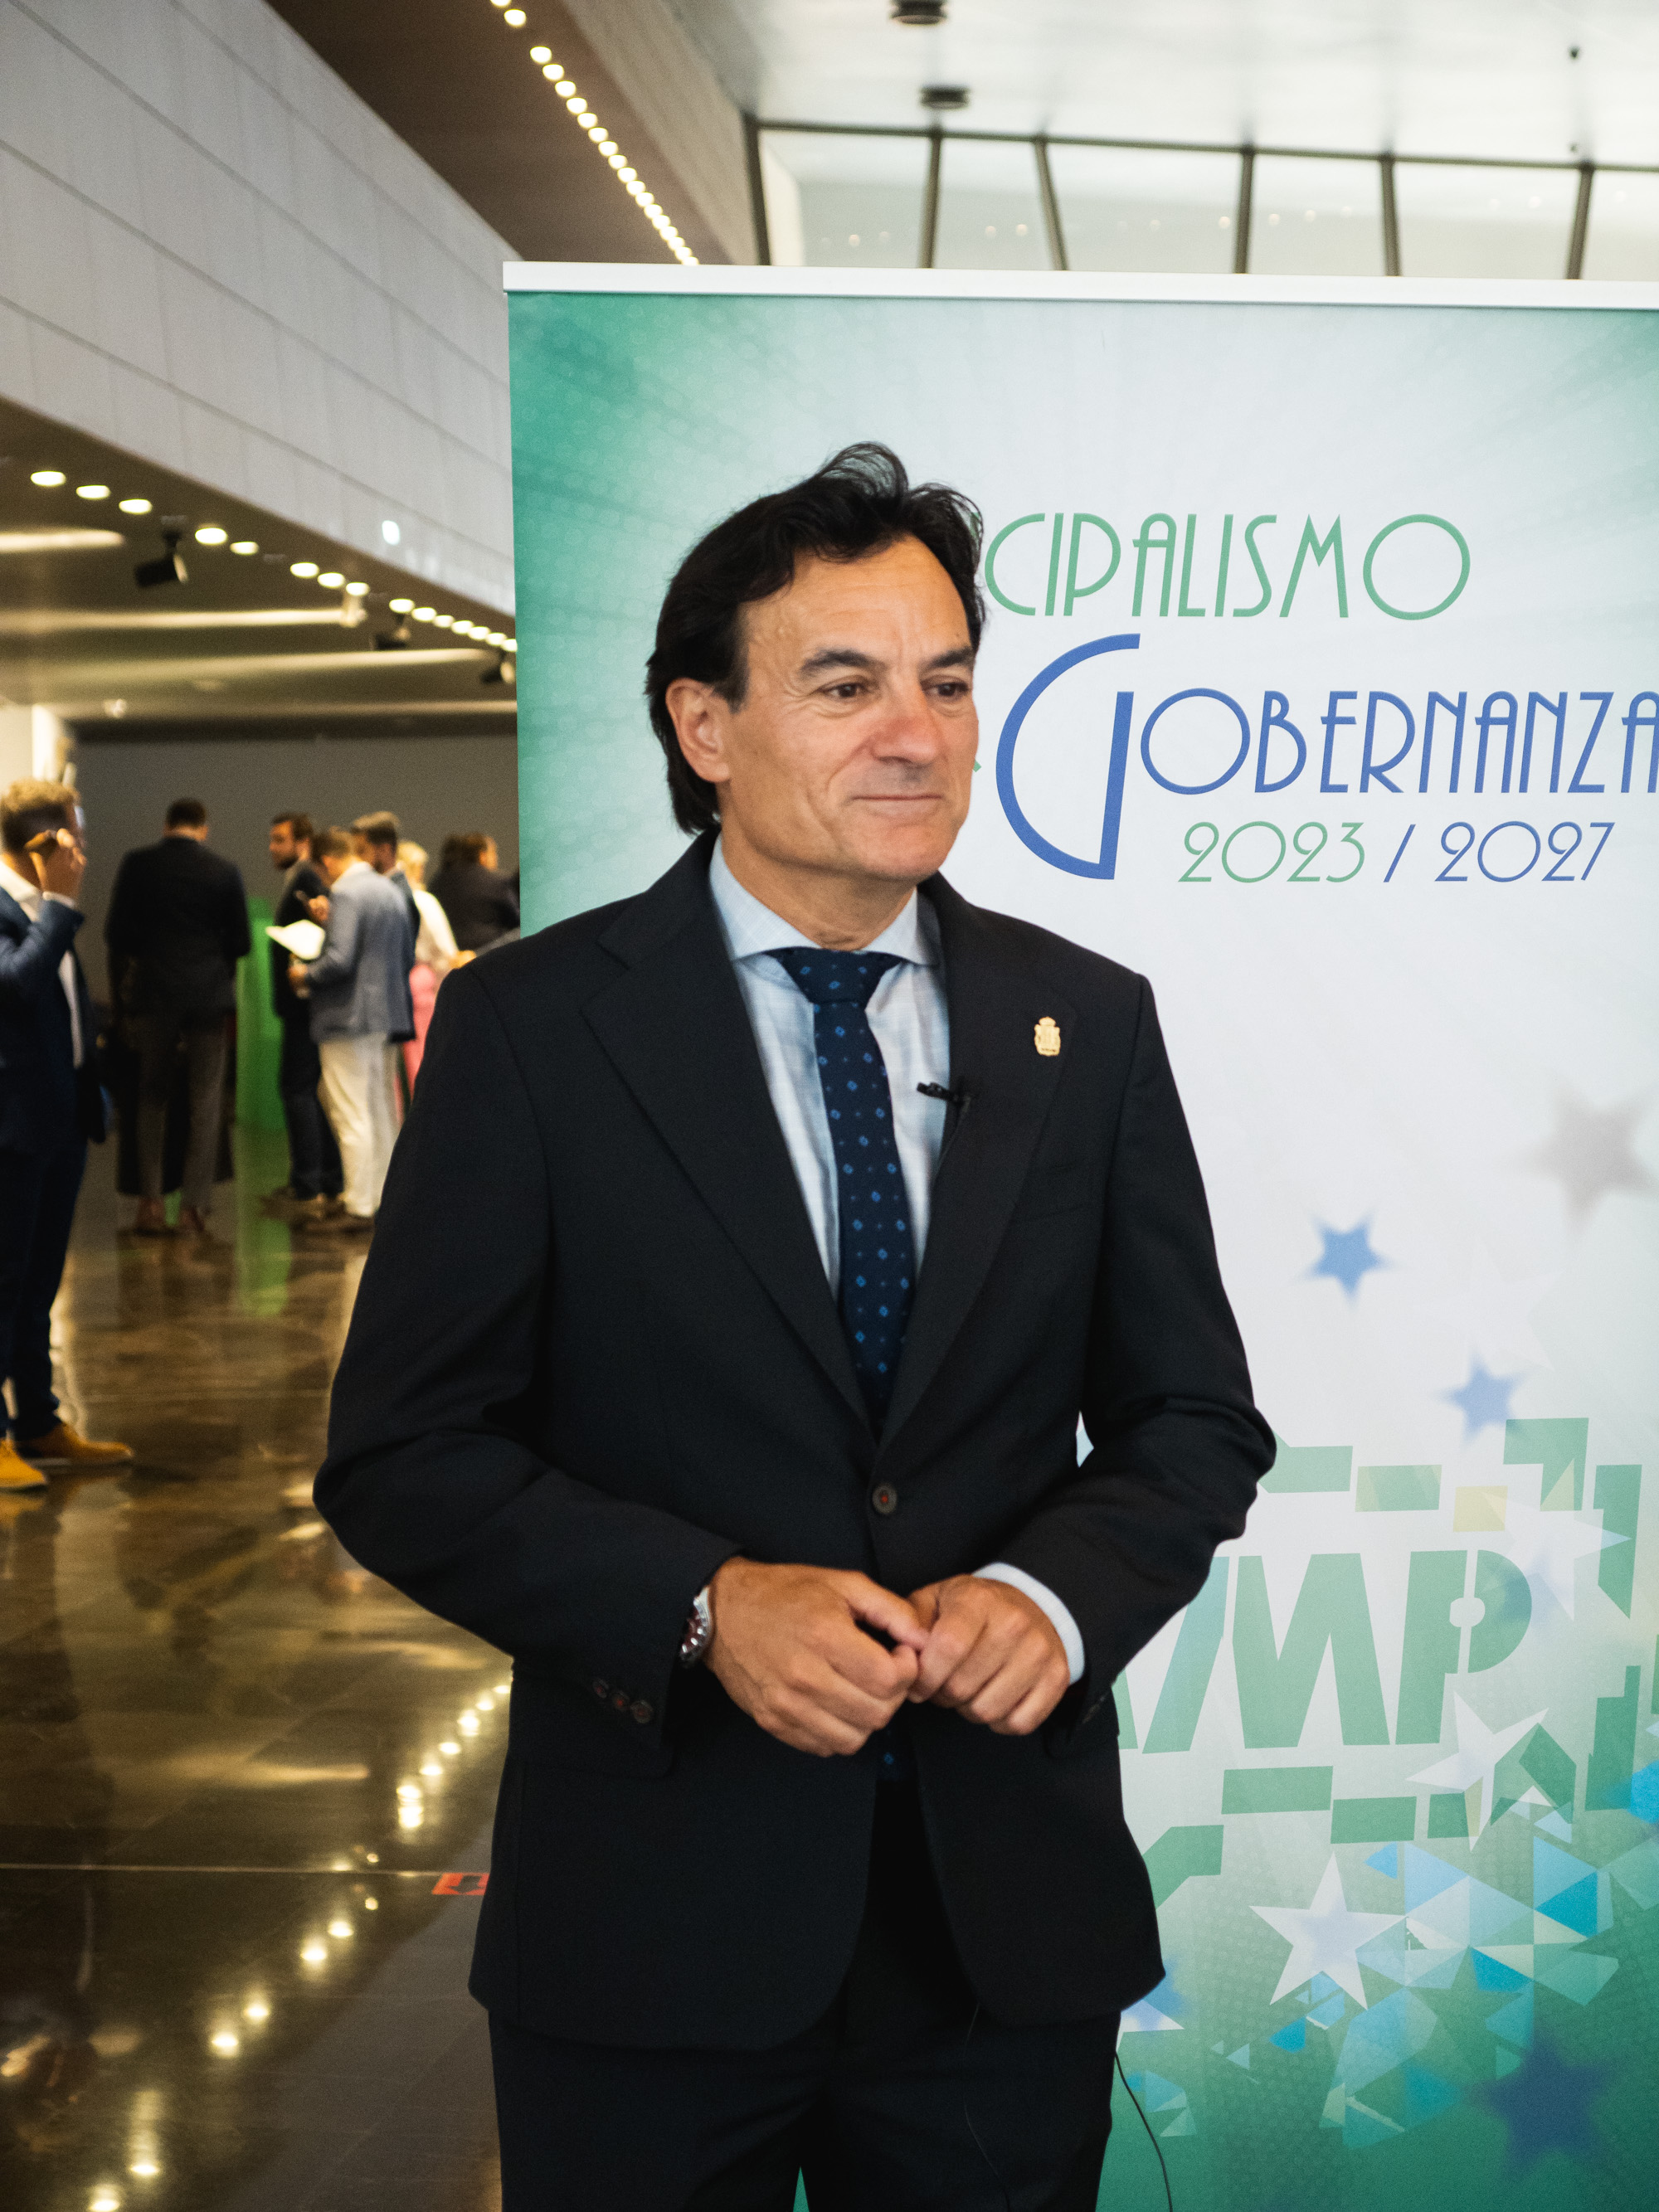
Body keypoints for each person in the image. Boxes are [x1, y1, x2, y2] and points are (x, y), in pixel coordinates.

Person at [316, 445, 1272, 2211]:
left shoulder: (1085, 1023)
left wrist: (1054, 1595)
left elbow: (1193, 1418)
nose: (916, 735)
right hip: (650, 1926)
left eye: (947, 683)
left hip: (999, 1933)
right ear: (705, 724)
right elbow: (402, 1455)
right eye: (844, 687)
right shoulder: (534, 1028)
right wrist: (701, 1602)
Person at [0, 779, 133, 1490]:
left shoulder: (47, 908)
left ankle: (37, 1422)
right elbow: (15, 988)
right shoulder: (19, 906)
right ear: (44, 842)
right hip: (13, 1127)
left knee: (38, 1285)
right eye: (74, 836)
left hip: (59, 1120)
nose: (83, 850)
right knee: (4, 1281)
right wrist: (57, 905)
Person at [105, 797, 250, 1237]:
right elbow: (241, 942)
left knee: (151, 1096)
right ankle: (194, 1208)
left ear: (166, 824)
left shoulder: (138, 865)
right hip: (208, 996)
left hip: (155, 994)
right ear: (203, 828)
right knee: (206, 1101)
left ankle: (150, 1203)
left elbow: (117, 933)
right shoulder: (224, 871)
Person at [291, 827, 414, 1232]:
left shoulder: (346, 893)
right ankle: (382, 1199)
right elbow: (404, 955)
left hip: (347, 1017)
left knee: (351, 1112)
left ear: (326, 861)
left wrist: (303, 974)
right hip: (384, 1015)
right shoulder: (388, 889)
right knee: (379, 1111)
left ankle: (359, 1206)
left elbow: (340, 960)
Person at [267, 811, 343, 1215]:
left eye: (280, 840)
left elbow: (322, 938)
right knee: (308, 1090)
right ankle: (322, 1178)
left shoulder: (308, 881)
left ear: (303, 843)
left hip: (305, 1004)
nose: (272, 848)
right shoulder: (301, 880)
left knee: (299, 1090)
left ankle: (309, 1182)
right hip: (305, 1003)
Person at [396, 840, 462, 1087]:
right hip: (422, 980)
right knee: (422, 1054)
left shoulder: (391, 900)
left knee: (391, 1066)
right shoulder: (424, 901)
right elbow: (445, 949)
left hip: (394, 980)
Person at [428, 829, 518, 952]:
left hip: (448, 957)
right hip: (488, 957)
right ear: (482, 856)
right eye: (493, 853)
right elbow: (517, 923)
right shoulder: (498, 882)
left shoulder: (437, 882)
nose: (496, 858)